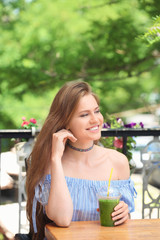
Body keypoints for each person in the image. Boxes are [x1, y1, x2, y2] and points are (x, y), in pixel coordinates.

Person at [26, 80, 136, 240]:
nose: (95, 120)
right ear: (65, 122)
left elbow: (126, 225)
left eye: (97, 111)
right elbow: (62, 220)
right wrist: (56, 158)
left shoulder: (118, 161)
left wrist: (123, 214)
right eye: (84, 114)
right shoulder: (51, 163)